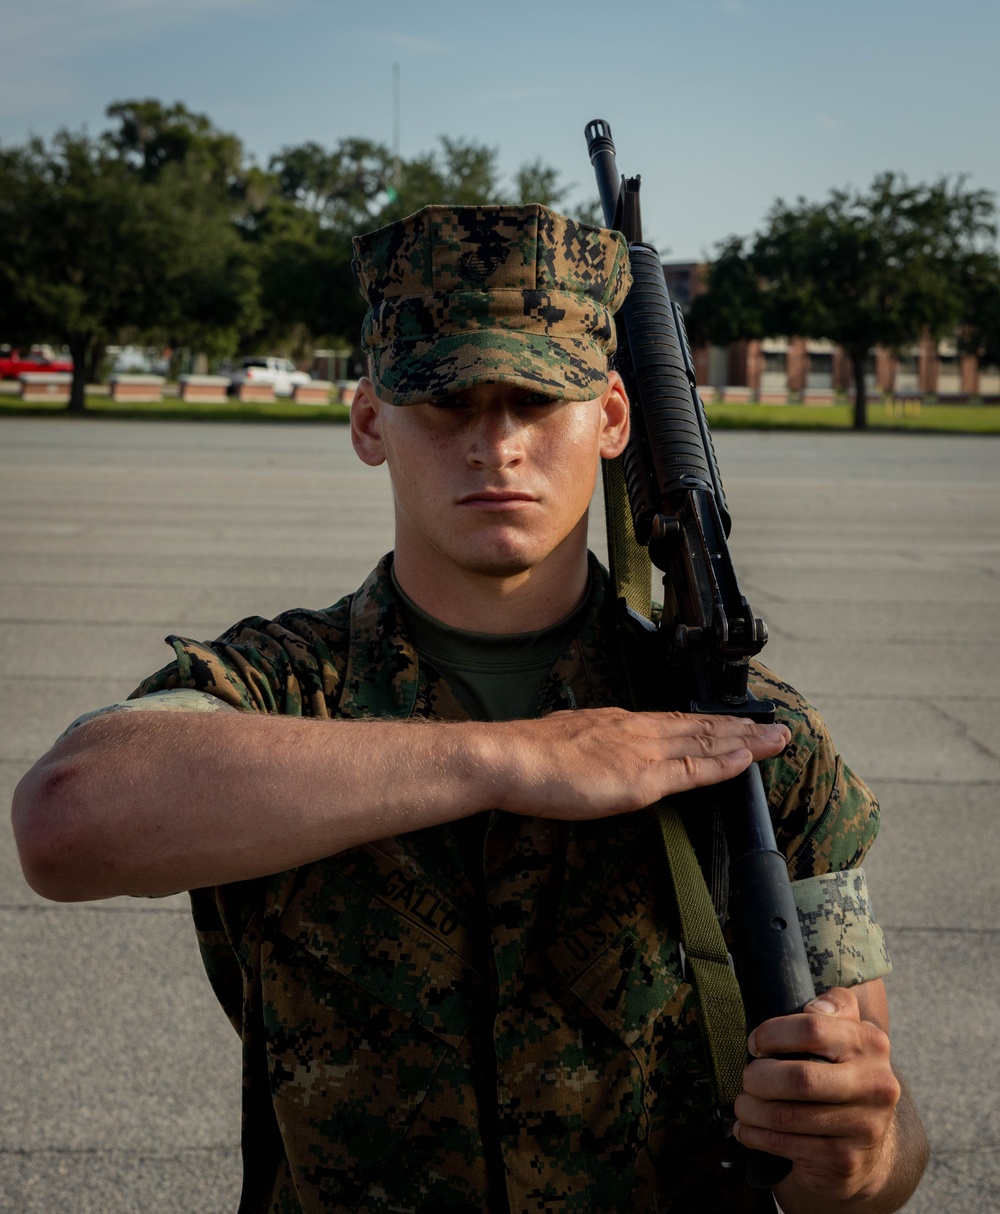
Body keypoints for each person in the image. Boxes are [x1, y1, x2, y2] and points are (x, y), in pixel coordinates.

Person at [13, 204, 927, 1213]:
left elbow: (869, 1124)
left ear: (613, 418)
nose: (496, 445)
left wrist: (864, 1153)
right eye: (445, 400)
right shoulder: (285, 689)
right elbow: (66, 820)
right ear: (370, 421)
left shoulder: (739, 740)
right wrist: (505, 758)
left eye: (539, 399)